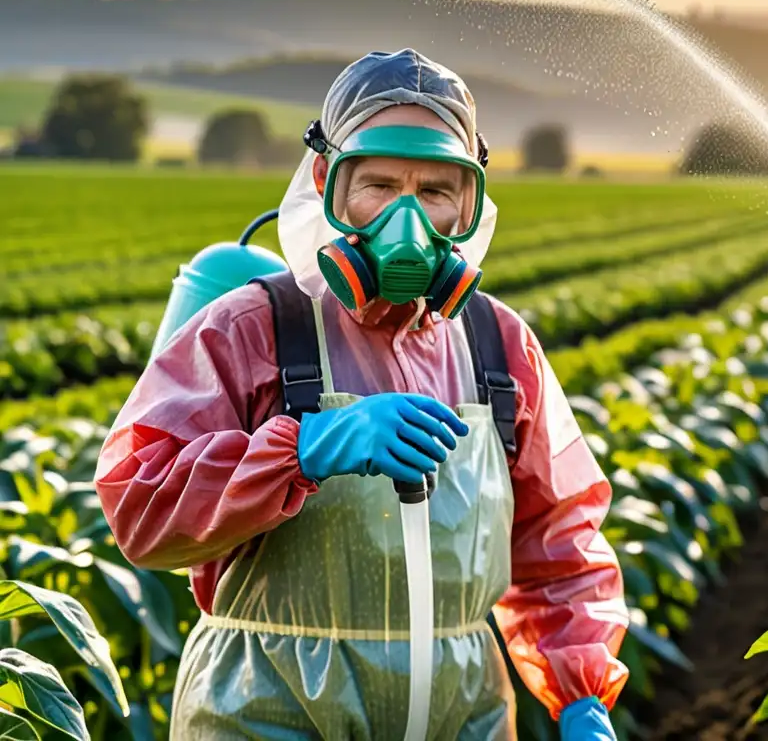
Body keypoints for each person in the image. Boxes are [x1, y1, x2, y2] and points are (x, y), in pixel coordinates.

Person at [94, 48, 628, 740]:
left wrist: (579, 694)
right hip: (265, 712)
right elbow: (139, 507)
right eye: (377, 185)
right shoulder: (253, 328)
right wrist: (304, 450)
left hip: (462, 717)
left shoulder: (498, 346)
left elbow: (559, 543)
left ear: (470, 203)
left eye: (436, 192)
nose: (406, 224)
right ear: (326, 182)